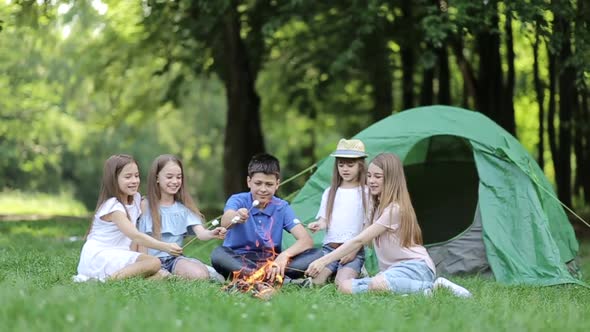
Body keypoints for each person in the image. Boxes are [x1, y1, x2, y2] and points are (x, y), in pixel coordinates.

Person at [306, 152, 472, 297]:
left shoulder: (394, 210)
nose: (371, 181)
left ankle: (435, 287)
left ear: (391, 179)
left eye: (378, 177)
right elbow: (361, 230)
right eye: (369, 176)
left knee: (378, 284)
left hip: (415, 268)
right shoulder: (374, 205)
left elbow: (359, 240)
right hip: (390, 272)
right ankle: (411, 292)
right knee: (345, 287)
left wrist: (323, 261)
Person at [210, 153, 323, 283]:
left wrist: (284, 256)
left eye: (269, 184)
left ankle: (254, 278)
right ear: (249, 182)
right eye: (258, 183)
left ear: (277, 184)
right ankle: (275, 279)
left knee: (317, 254)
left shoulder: (282, 207)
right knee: (218, 254)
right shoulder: (238, 199)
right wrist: (236, 216)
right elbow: (225, 221)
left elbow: (306, 240)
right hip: (239, 260)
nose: (263, 189)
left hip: (272, 261)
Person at [74, 154, 183, 282]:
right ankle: (108, 281)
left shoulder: (136, 199)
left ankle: (126, 278)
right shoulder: (113, 207)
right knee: (154, 263)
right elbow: (135, 236)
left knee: (160, 272)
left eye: (136, 176)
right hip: (99, 257)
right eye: (128, 177)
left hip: (118, 254)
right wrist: (166, 247)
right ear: (114, 180)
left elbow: (136, 236)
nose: (134, 181)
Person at [138, 154, 227, 282]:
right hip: (150, 261)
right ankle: (160, 276)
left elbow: (201, 234)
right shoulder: (145, 205)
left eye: (179, 177)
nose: (175, 181)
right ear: (157, 178)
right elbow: (141, 240)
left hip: (174, 260)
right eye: (169, 177)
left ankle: (172, 276)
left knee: (202, 275)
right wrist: (145, 264)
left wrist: (212, 233)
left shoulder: (184, 208)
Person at [307, 138, 368, 287]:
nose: (345, 169)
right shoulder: (330, 192)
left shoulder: (365, 192)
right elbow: (324, 219)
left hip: (352, 250)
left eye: (350, 165)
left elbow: (368, 226)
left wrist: (354, 250)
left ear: (360, 166)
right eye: (341, 165)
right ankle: (333, 271)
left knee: (342, 284)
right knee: (315, 283)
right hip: (330, 250)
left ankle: (357, 271)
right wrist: (318, 224)